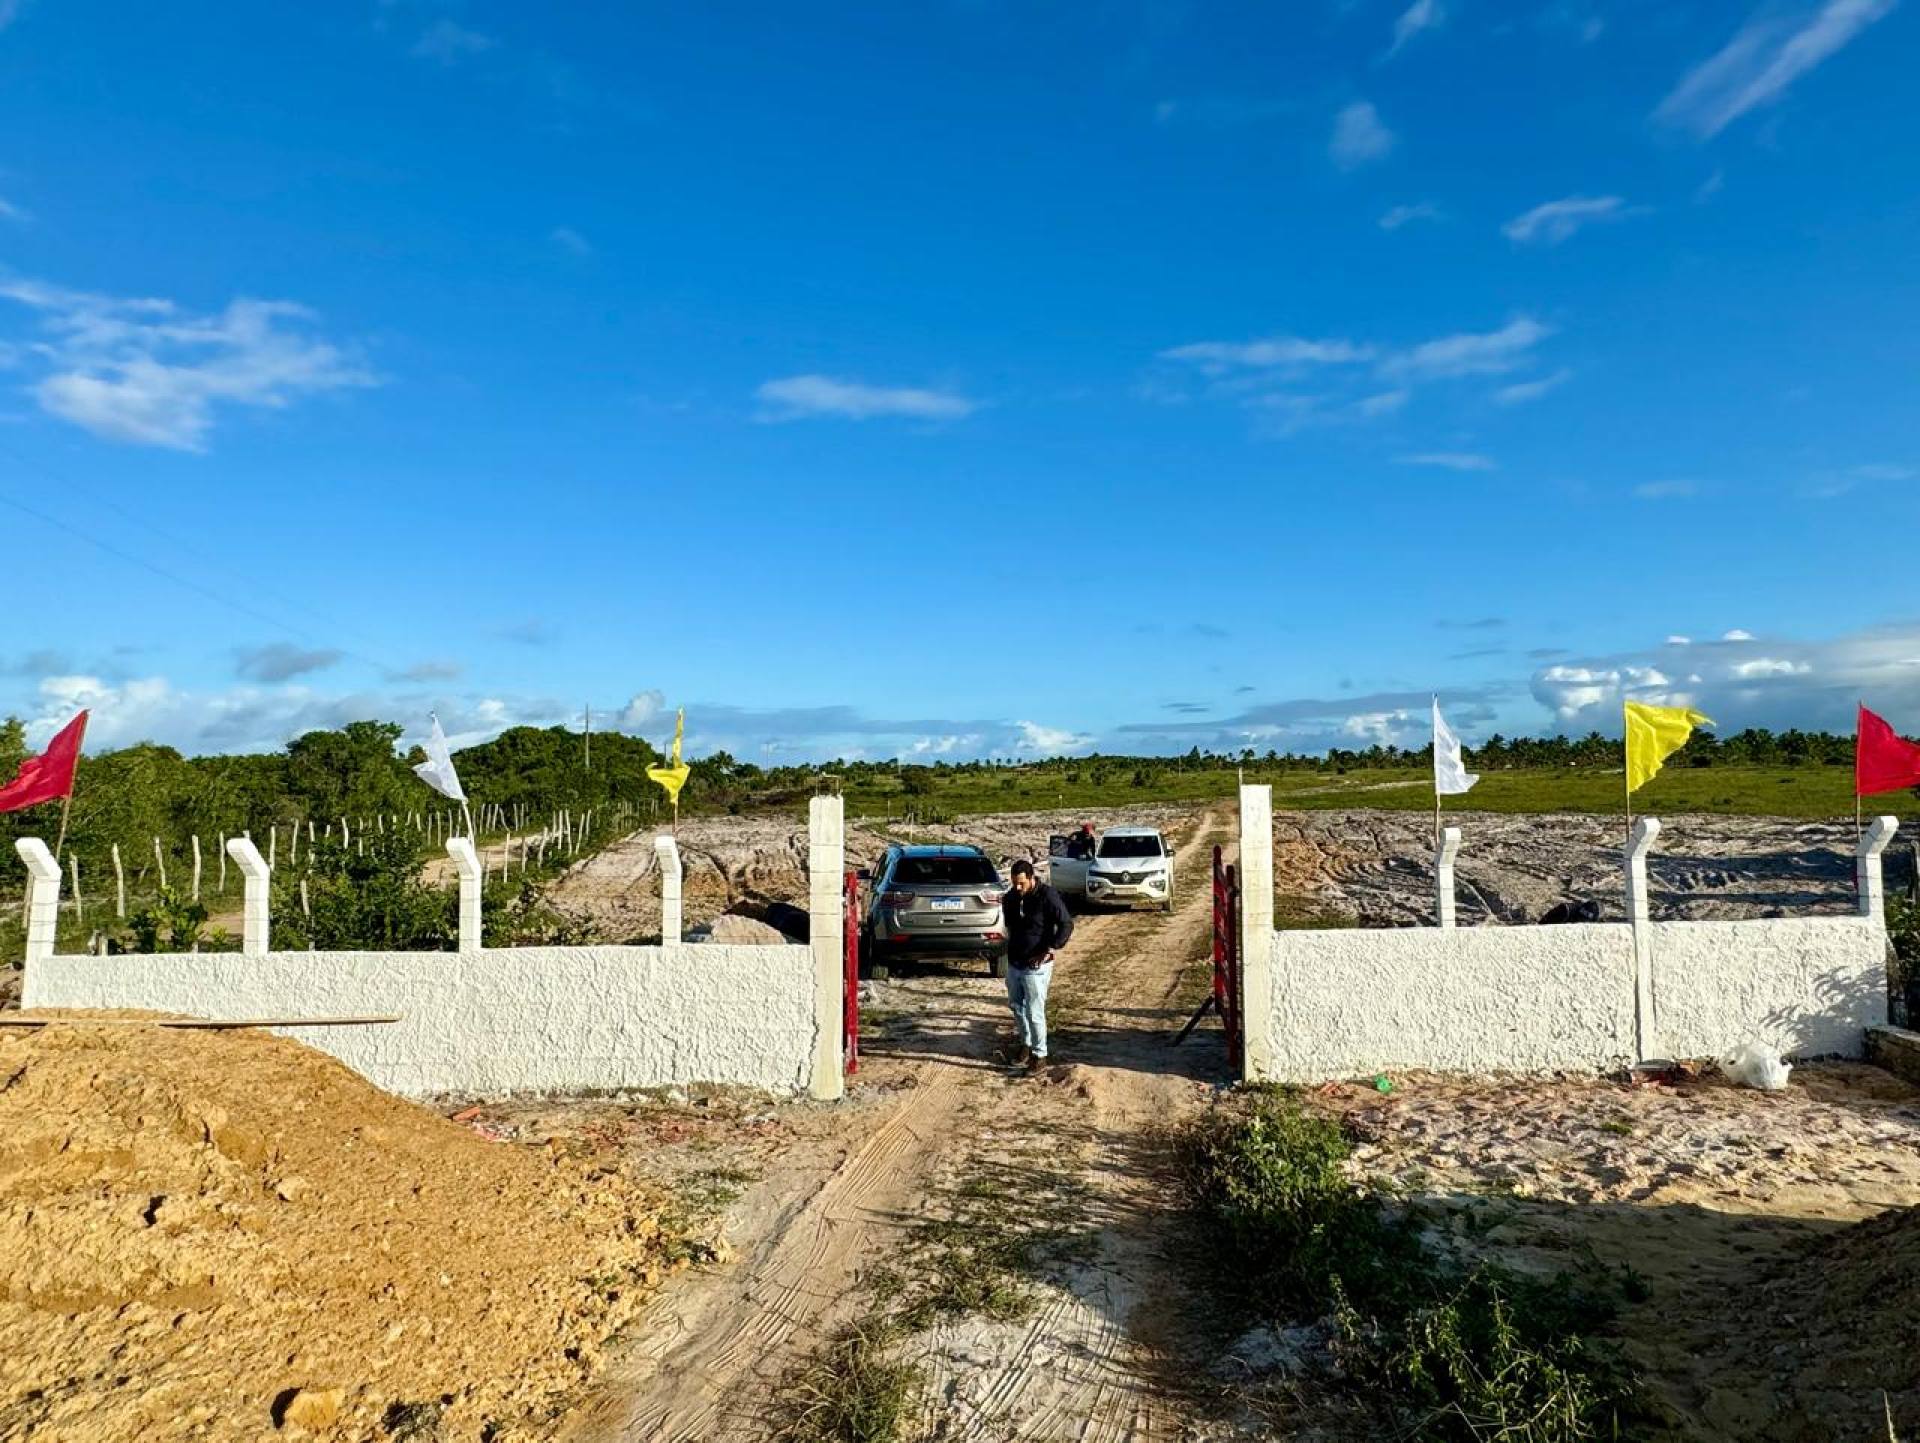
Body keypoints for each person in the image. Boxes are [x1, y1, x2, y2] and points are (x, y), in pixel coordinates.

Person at [1002, 858, 1074, 1073]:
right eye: (1014, 883)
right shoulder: (1010, 898)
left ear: (1031, 878)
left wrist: (1050, 948)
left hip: (1037, 965)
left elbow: (1066, 923)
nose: (1017, 887)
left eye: (1021, 883)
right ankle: (1026, 1043)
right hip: (1015, 963)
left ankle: (1039, 1054)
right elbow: (1010, 926)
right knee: (1016, 1006)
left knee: (1034, 1011)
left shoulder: (1047, 896)